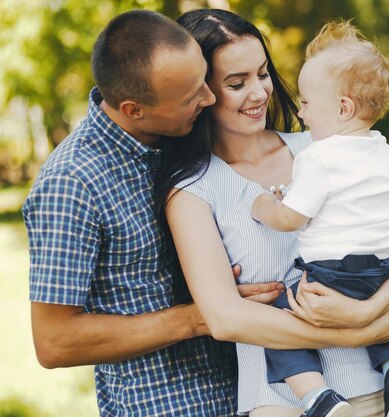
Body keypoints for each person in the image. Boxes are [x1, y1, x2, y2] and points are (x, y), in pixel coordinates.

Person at [160, 8, 389, 417]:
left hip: (374, 391)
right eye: (237, 82)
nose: (259, 93)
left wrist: (364, 312)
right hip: (281, 403)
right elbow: (226, 319)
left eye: (262, 74)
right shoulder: (194, 189)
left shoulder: (324, 148)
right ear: (203, 92)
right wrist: (357, 332)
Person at [22, 9, 286, 416]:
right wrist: (203, 317)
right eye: (191, 96)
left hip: (260, 390)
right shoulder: (73, 183)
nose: (210, 98)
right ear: (134, 110)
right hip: (168, 404)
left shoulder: (188, 138)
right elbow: (56, 341)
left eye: (205, 80)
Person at [250, 20, 389, 417]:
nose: (301, 111)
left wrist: (264, 206)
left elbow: (292, 218)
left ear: (343, 108)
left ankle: (319, 398)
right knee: (385, 310)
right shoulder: (381, 150)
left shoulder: (317, 157)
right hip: (385, 267)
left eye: (307, 103)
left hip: (333, 273)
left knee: (277, 315)